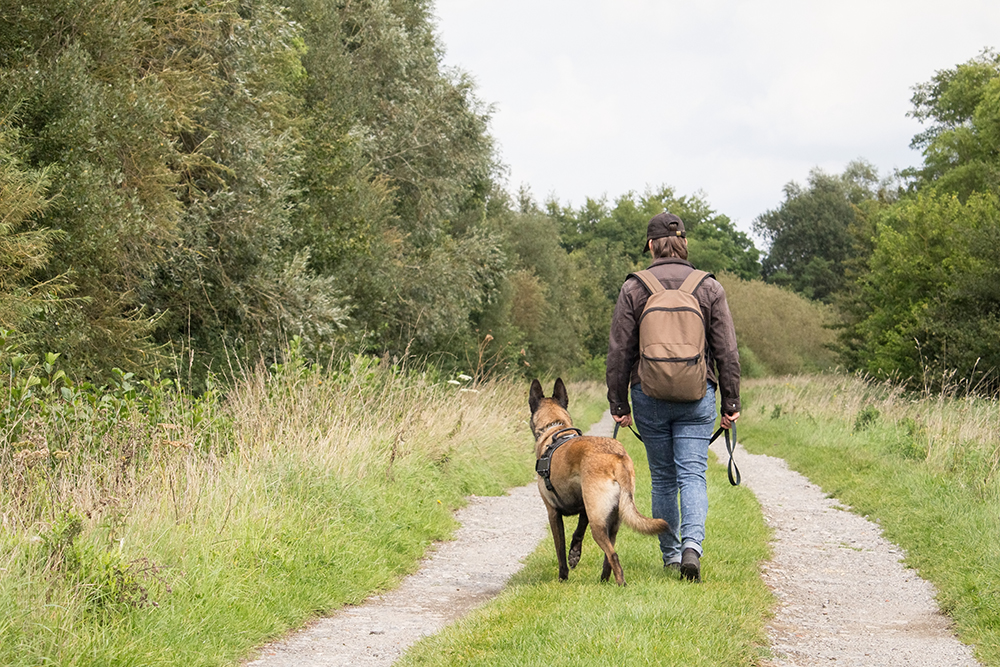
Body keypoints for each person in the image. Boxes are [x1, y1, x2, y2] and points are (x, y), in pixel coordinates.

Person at [606, 211, 741, 582]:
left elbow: (619, 351)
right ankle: (691, 549)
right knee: (693, 474)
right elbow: (727, 351)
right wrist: (730, 404)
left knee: (664, 477)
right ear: (685, 243)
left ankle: (669, 556)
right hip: (698, 396)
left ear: (650, 245)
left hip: (647, 394)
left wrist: (618, 404)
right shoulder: (708, 287)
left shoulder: (635, 287)